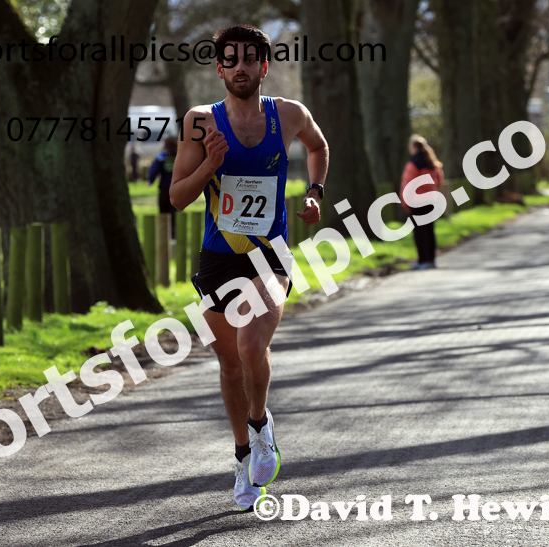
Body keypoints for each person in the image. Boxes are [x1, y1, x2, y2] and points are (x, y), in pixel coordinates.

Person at [169, 24, 328, 512]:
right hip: (219, 258)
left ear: (265, 66)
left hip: (270, 253)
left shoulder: (290, 114)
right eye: (231, 60)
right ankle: (243, 456)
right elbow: (177, 197)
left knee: (250, 342)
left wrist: (315, 192)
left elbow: (318, 147)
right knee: (230, 365)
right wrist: (208, 165)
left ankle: (262, 428)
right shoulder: (201, 122)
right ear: (219, 69)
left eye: (250, 59)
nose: (241, 66)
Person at [400, 135, 443, 269]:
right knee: (430, 230)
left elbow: (407, 184)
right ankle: (431, 260)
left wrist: (405, 202)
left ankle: (422, 260)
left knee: (420, 232)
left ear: (414, 147)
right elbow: (439, 182)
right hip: (431, 201)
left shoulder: (413, 164)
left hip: (417, 202)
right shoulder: (433, 164)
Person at [148, 136, 179, 236]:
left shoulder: (161, 158)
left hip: (165, 191)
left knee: (164, 215)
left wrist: (150, 181)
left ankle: (164, 236)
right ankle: (174, 236)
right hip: (178, 191)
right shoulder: (180, 157)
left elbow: (153, 171)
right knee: (176, 216)